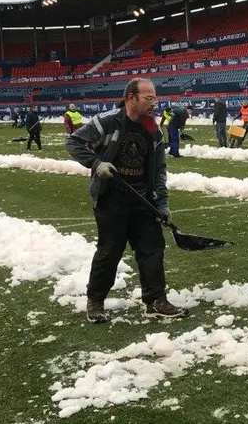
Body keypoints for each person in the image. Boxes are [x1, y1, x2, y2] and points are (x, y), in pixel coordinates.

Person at [66, 77, 188, 323]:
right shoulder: (108, 121)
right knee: (110, 250)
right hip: (111, 198)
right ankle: (95, 301)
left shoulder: (153, 129)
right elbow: (74, 141)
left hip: (142, 199)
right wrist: (96, 164)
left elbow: (159, 171)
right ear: (131, 98)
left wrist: (162, 203)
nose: (154, 103)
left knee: (152, 248)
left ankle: (155, 300)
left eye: (155, 98)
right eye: (148, 98)